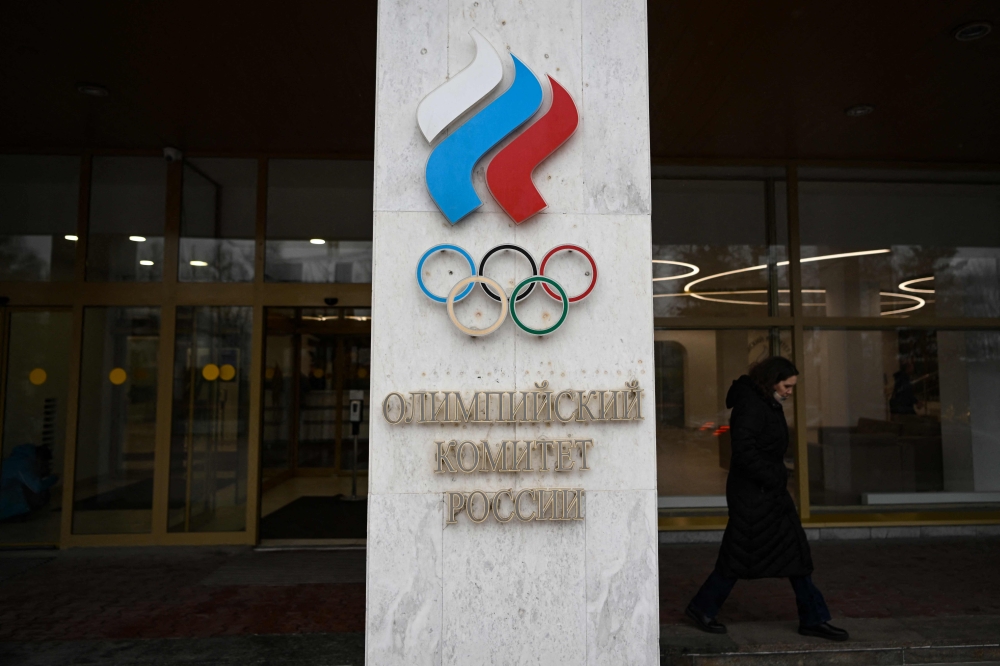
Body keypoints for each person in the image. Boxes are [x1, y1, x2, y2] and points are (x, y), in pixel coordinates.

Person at [685, 356, 849, 641]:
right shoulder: (752, 405)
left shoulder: (764, 402)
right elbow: (745, 452)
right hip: (754, 495)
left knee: (790, 555)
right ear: (771, 380)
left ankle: (812, 618)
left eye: (792, 386)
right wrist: (773, 477)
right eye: (787, 385)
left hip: (766, 493)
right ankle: (703, 608)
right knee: (742, 555)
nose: (789, 391)